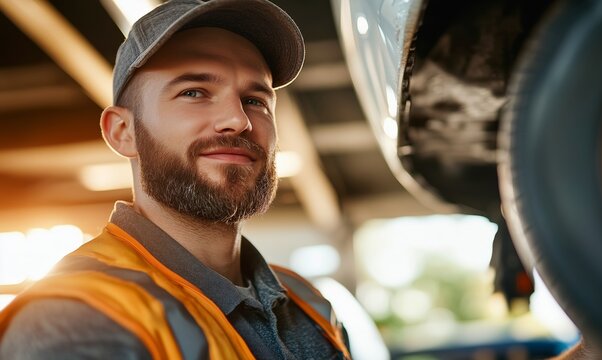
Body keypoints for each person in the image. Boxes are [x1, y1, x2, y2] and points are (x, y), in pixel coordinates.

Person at [0, 0, 351, 359]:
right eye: (194, 92)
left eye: (255, 100)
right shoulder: (74, 321)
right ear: (123, 132)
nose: (238, 120)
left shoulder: (310, 305)